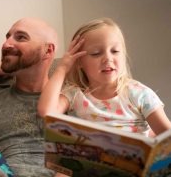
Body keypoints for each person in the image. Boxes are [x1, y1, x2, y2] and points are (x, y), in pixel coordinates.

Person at [37, 17, 171, 136]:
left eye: (115, 51)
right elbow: (47, 112)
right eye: (96, 53)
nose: (108, 58)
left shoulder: (140, 94)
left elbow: (166, 135)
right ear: (79, 62)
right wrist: (62, 68)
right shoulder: (75, 94)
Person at [0, 17, 60, 177]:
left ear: (48, 51)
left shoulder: (70, 101)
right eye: (7, 37)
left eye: (21, 37)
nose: (6, 44)